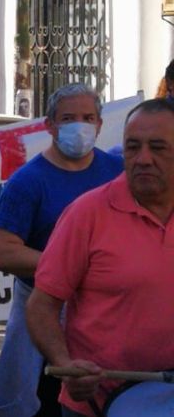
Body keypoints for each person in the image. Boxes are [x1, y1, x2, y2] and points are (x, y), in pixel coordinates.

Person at [24, 98, 174, 417]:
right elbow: (41, 305)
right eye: (133, 147)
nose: (143, 159)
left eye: (158, 147)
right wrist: (65, 363)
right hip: (98, 404)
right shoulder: (87, 214)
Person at [0, 83, 124, 417]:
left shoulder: (118, 173)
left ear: (100, 124)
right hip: (47, 316)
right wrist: (69, 264)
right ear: (49, 125)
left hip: (108, 315)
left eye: (88, 118)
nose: (80, 126)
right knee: (49, 401)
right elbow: (1, 252)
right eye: (69, 118)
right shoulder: (27, 181)